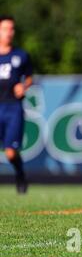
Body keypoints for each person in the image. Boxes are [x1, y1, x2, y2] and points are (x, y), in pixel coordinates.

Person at [0, 16, 33, 194]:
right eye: (5, 28)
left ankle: (20, 174)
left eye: (11, 29)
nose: (9, 32)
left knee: (11, 152)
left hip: (12, 108)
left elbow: (29, 77)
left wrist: (24, 86)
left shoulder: (20, 55)